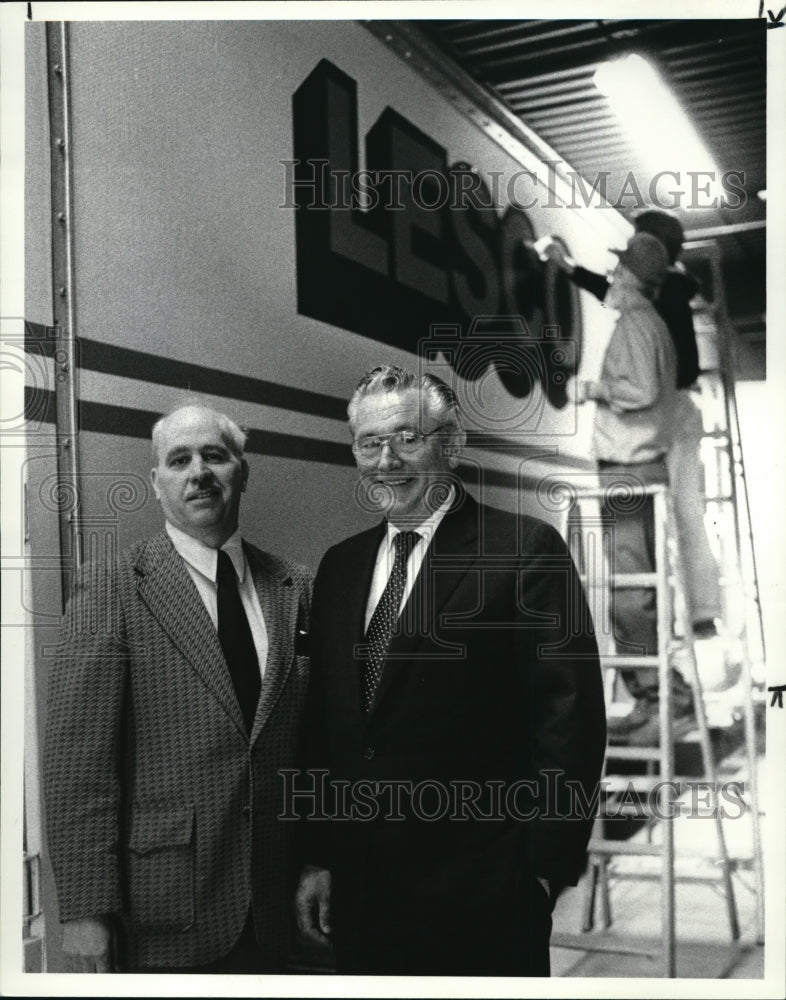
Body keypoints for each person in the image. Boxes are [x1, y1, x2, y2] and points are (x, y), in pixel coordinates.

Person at [294, 365, 606, 976]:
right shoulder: (339, 567)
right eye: (369, 442)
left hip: (485, 897)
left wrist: (542, 873)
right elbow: (326, 730)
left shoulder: (523, 550)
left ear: (453, 445)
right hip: (362, 897)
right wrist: (319, 856)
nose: (388, 460)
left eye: (408, 438)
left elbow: (570, 724)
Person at [43, 404, 312, 973]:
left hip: (278, 905)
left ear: (242, 471)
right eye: (180, 460)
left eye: (215, 456)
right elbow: (77, 768)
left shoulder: (296, 587)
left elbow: (315, 744)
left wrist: (320, 860)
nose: (199, 473)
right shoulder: (110, 589)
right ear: (157, 482)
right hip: (164, 911)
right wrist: (86, 912)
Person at [539, 209, 723, 635]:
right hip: (664, 412)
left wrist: (602, 389)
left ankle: (701, 612)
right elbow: (617, 289)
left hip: (668, 414)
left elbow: (622, 293)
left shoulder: (663, 298)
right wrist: (570, 270)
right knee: (668, 528)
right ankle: (693, 617)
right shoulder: (660, 297)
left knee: (685, 515)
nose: (617, 271)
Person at [567, 232, 695, 741]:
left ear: (632, 280)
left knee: (630, 591)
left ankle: (662, 699)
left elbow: (639, 390)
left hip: (629, 470)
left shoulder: (637, 325)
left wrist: (594, 389)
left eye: (619, 272)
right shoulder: (648, 322)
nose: (612, 279)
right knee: (636, 588)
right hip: (640, 469)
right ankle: (664, 695)